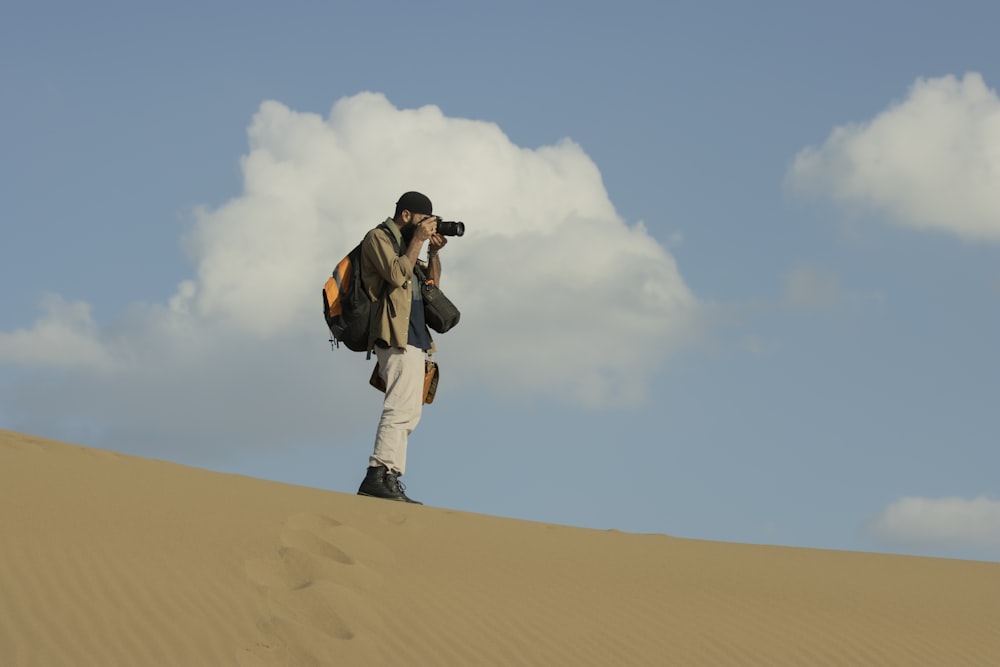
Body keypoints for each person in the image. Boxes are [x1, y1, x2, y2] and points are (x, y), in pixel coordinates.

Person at [356, 191, 447, 504]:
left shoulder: (410, 248)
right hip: (394, 333)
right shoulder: (378, 238)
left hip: (416, 337)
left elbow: (432, 287)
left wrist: (432, 254)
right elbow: (396, 275)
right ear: (406, 215)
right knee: (398, 407)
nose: (427, 227)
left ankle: (390, 475)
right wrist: (418, 242)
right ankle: (377, 473)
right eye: (424, 221)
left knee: (409, 412)